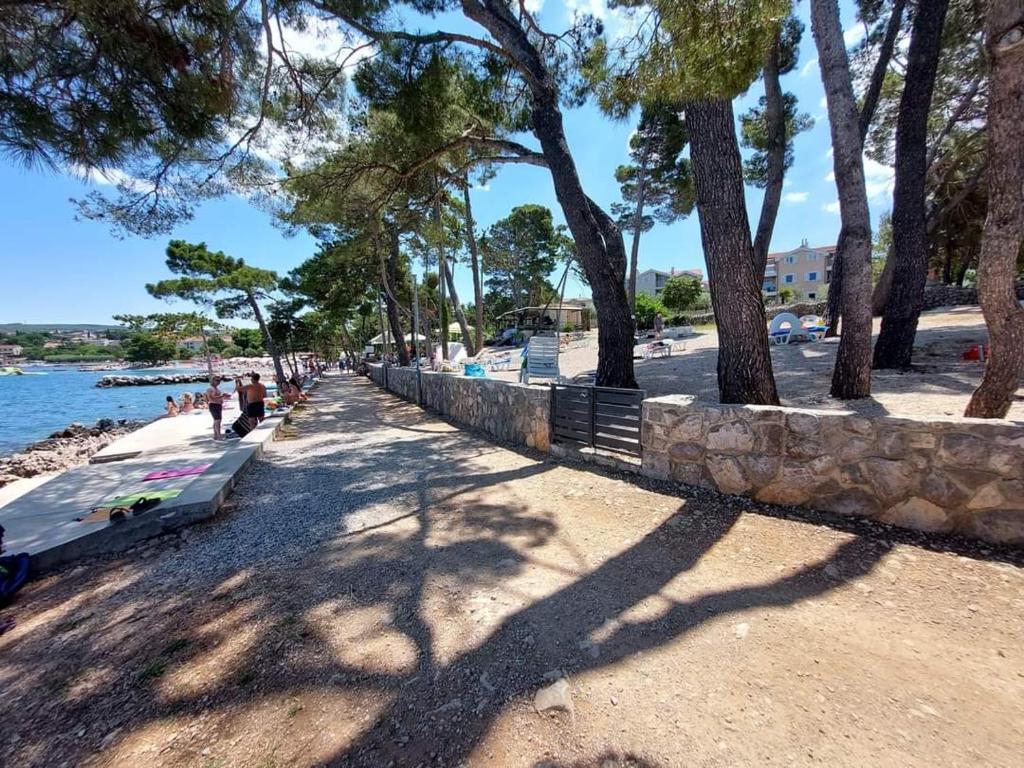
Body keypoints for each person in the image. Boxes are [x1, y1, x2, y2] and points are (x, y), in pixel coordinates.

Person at [206, 375, 226, 440]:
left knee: (216, 420)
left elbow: (217, 397)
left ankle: (215, 435)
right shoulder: (210, 389)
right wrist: (221, 396)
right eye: (217, 380)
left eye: (219, 381)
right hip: (213, 405)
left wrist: (223, 397)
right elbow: (210, 398)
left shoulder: (216, 389)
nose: (218, 382)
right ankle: (219, 435)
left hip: (218, 405)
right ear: (213, 381)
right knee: (218, 420)